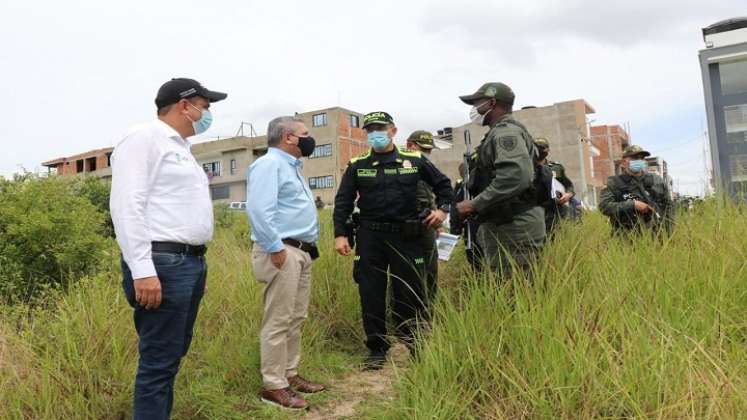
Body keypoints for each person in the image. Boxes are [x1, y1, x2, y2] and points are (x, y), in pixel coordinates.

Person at [110, 77, 226, 419]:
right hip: (161, 264)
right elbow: (127, 206)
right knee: (158, 363)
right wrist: (142, 270)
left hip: (188, 264)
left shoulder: (181, 148)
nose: (206, 115)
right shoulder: (144, 138)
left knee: (172, 357)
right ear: (184, 105)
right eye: (204, 107)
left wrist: (198, 265)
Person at [333, 112, 453, 370]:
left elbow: (444, 186)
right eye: (371, 129)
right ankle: (377, 349)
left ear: (393, 131)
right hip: (370, 237)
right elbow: (343, 202)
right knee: (371, 293)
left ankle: (415, 345)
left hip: (407, 238)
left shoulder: (415, 160)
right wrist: (340, 234)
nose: (376, 133)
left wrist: (442, 210)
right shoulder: (357, 164)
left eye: (381, 128)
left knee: (409, 293)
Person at [247, 116, 325, 410]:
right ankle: (273, 385)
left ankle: (289, 374)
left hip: (301, 252)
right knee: (278, 320)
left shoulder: (292, 167)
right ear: (289, 138)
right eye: (305, 133)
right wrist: (275, 248)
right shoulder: (269, 165)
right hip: (282, 251)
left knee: (296, 317)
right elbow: (259, 210)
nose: (309, 139)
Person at [455, 82, 546, 279]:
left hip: (514, 227)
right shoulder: (498, 132)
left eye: (477, 103)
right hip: (505, 225)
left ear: (491, 103)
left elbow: (514, 177)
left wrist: (473, 204)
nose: (474, 109)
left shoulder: (506, 133)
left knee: (514, 295)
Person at [599, 145, 674, 235]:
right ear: (624, 162)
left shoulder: (656, 180)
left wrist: (670, 232)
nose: (639, 161)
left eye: (642, 158)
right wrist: (633, 204)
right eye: (634, 158)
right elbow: (604, 207)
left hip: (656, 237)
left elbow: (669, 206)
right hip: (626, 239)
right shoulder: (614, 183)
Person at [405, 130, 442, 305]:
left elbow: (429, 196)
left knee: (429, 272)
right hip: (408, 227)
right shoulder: (400, 166)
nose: (426, 154)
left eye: (429, 150)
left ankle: (427, 311)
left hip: (426, 225)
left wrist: (437, 223)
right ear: (409, 146)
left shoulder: (425, 168)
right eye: (423, 149)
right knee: (408, 273)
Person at [534, 138, 574, 233]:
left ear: (548, 150)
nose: (541, 150)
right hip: (535, 211)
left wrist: (568, 194)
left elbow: (568, 185)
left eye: (543, 148)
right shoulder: (526, 168)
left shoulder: (555, 167)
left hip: (555, 212)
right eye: (538, 148)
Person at [450, 162, 482, 271]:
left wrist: (455, 231)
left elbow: (455, 210)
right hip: (486, 225)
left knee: (475, 259)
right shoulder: (486, 182)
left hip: (472, 227)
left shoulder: (463, 186)